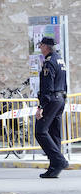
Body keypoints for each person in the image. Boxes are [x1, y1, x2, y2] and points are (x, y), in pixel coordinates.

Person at [35, 37, 69, 178]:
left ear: (46, 46)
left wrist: (41, 106)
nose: (40, 48)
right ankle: (54, 168)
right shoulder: (59, 59)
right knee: (54, 133)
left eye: (41, 45)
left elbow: (47, 87)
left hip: (52, 99)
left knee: (40, 131)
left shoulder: (49, 62)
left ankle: (59, 161)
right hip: (60, 98)